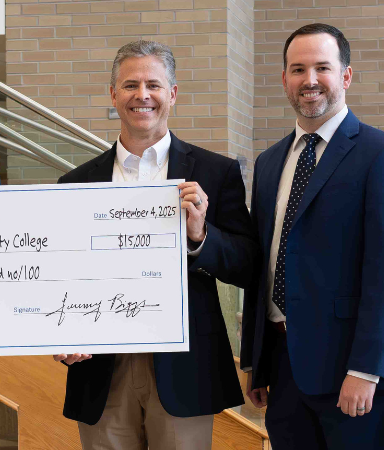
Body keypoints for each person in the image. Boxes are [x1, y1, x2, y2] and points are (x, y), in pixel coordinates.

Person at [53, 40, 256, 450]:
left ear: (173, 94)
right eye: (130, 85)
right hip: (100, 370)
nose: (142, 95)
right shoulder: (75, 183)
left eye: (153, 84)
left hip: (184, 369)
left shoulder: (216, 173)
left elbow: (247, 264)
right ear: (113, 95)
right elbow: (58, 274)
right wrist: (59, 333)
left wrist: (200, 236)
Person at [238, 23, 384, 450]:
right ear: (284, 79)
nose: (310, 80)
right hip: (282, 368)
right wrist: (258, 362)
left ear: (346, 76)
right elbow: (265, 265)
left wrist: (367, 369)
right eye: (298, 69)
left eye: (323, 67)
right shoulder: (269, 162)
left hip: (350, 372)